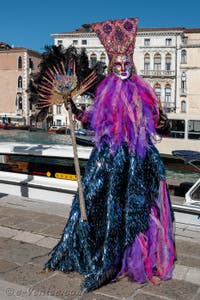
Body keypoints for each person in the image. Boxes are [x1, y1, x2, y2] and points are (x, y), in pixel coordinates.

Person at [44, 17, 176, 292]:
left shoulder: (143, 93)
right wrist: (74, 110)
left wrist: (160, 118)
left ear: (132, 64)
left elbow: (155, 121)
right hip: (107, 159)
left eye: (126, 63)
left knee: (136, 206)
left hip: (136, 161)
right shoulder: (104, 92)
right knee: (97, 201)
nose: (122, 68)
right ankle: (98, 253)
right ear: (110, 66)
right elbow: (93, 118)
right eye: (117, 64)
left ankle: (132, 256)